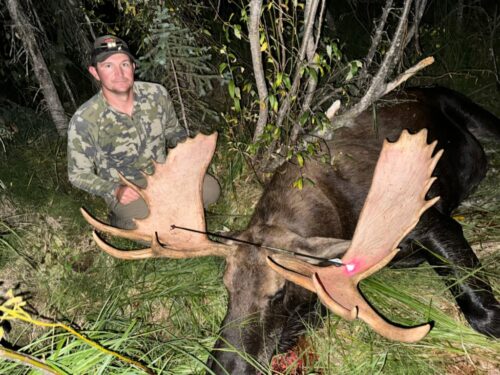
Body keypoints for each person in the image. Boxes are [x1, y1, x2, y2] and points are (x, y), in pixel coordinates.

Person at [67, 35, 220, 229]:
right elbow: (77, 175)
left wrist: (186, 158)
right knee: (154, 220)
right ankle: (122, 219)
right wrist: (114, 190)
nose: (119, 73)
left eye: (124, 64)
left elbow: (174, 132)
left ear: (133, 66)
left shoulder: (156, 94)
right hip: (129, 188)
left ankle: (171, 215)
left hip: (163, 175)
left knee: (211, 190)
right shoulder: (84, 119)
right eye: (108, 66)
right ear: (95, 72)